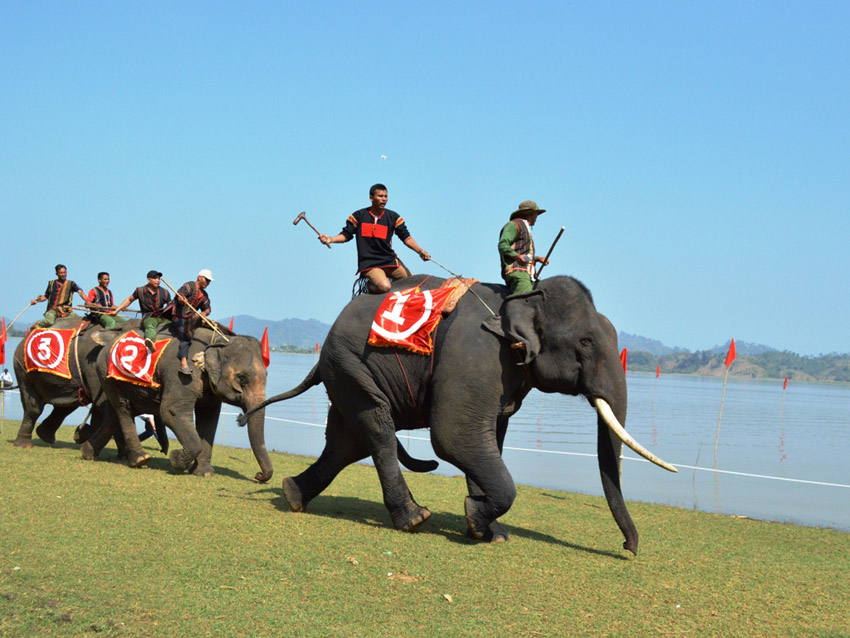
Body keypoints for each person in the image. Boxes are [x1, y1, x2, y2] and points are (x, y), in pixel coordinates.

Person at [318, 183, 430, 293]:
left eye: (386, 196)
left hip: (390, 260)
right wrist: (330, 239)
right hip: (370, 263)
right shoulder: (359, 216)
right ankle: (370, 286)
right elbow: (346, 235)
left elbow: (406, 238)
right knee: (385, 286)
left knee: (414, 283)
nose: (384, 199)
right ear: (371, 198)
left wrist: (420, 251)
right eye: (380, 196)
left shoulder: (393, 217)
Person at [111, 270, 172, 352]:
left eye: (159, 278)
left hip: (162, 317)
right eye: (155, 278)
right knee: (150, 324)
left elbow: (171, 305)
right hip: (149, 317)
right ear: (148, 280)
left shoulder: (165, 292)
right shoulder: (140, 291)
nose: (158, 280)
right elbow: (129, 300)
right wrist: (117, 311)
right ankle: (150, 341)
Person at [498, 200, 550, 295]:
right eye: (536, 214)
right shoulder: (514, 225)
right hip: (519, 273)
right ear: (530, 214)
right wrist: (517, 257)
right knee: (526, 304)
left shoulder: (525, 228)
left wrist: (537, 259)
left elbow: (523, 255)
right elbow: (503, 245)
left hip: (527, 274)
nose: (537, 218)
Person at [172, 269, 213, 375]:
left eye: (209, 281)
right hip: (178, 316)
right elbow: (180, 295)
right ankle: (183, 363)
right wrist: (182, 300)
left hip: (190, 319)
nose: (207, 283)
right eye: (206, 280)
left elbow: (208, 308)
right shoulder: (189, 285)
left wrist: (204, 313)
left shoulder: (204, 295)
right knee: (187, 335)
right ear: (200, 277)